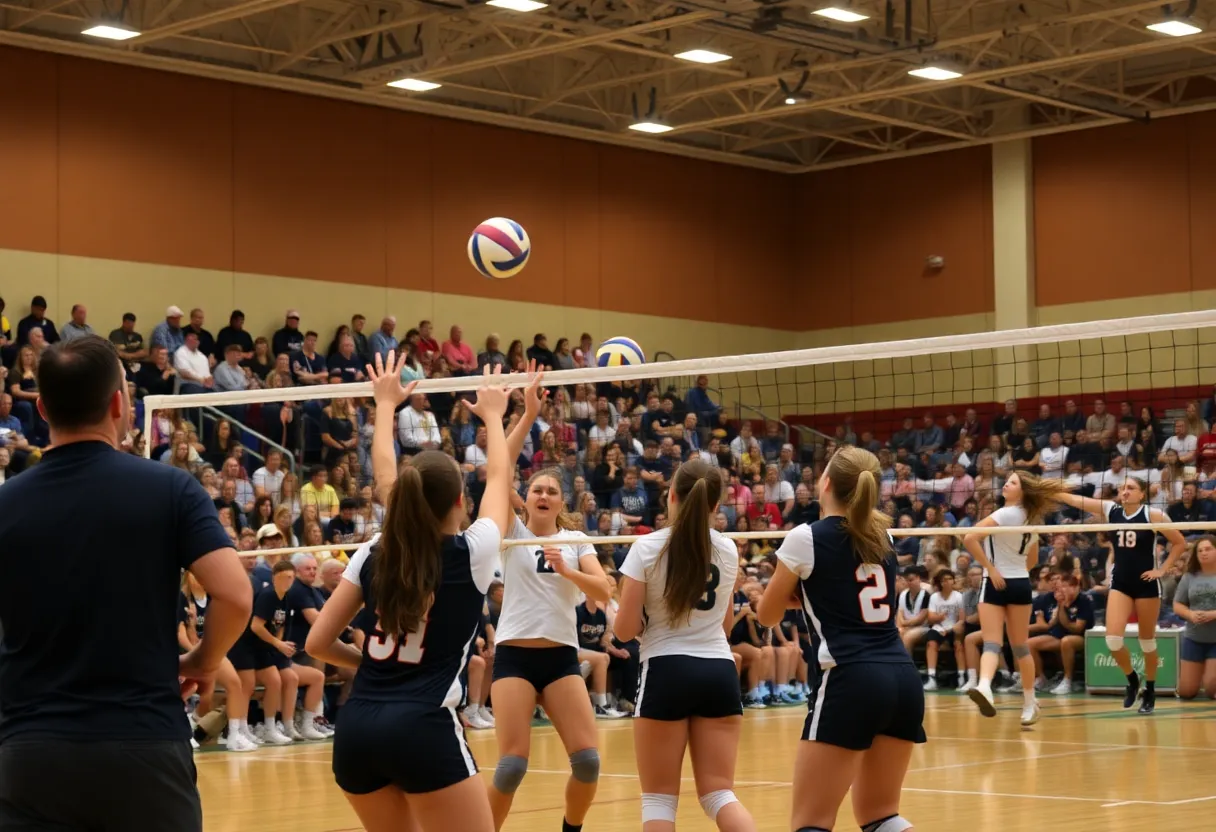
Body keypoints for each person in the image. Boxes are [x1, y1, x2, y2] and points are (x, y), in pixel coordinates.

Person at [0, 335, 251, 831]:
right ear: (120, 403)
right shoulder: (171, 487)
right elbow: (235, 594)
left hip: (30, 753)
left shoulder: (6, 502)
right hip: (142, 747)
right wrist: (202, 661)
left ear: (44, 408)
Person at [306, 352, 514, 832]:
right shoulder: (473, 552)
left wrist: (384, 405)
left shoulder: (375, 551)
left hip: (356, 732)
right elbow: (499, 478)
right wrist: (495, 418)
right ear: (460, 501)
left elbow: (317, 643)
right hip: (422, 728)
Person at [757, 446, 923, 832]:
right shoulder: (884, 535)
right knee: (882, 817)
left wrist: (797, 595)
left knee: (810, 823)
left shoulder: (805, 537)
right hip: (901, 677)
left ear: (826, 482)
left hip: (850, 678)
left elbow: (767, 614)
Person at [488, 362, 614, 832]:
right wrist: (527, 413)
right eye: (536, 488)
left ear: (562, 502)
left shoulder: (577, 540)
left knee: (588, 763)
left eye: (552, 491)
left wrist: (569, 571)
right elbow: (499, 470)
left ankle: (570, 830)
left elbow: (604, 590)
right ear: (527, 495)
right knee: (511, 766)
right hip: (515, 657)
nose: (543, 494)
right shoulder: (511, 530)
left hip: (561, 657)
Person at [614, 459, 757, 832]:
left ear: (671, 496)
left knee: (659, 800)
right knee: (719, 795)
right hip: (719, 672)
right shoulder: (728, 550)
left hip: (666, 668)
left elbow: (625, 630)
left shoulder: (647, 547)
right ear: (715, 506)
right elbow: (725, 625)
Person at [1052, 478, 1186, 713]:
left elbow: (1179, 542)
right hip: (1121, 583)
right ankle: (1133, 679)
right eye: (1122, 488)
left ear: (1142, 494)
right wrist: (1054, 491)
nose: (1124, 491)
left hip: (1146, 584)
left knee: (1147, 643)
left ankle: (1150, 690)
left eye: (1131, 488)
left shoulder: (1152, 515)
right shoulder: (1111, 510)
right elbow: (1079, 501)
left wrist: (1162, 570)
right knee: (1113, 641)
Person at [960, 471, 1067, 726]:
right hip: (1020, 583)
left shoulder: (1003, 514)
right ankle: (1029, 704)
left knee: (991, 643)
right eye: (1008, 480)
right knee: (1020, 647)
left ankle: (985, 686)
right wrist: (1015, 568)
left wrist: (991, 567)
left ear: (1023, 491)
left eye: (1013, 482)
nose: (1007, 484)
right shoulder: (1032, 519)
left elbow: (969, 537)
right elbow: (1031, 560)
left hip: (995, 582)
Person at [1173, 535, 1216, 700]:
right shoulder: (1189, 577)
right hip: (1194, 638)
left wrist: (1212, 614)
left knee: (1212, 688)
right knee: (1186, 692)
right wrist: (1190, 614)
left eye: (1208, 549)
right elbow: (1177, 605)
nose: (1204, 553)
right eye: (1200, 551)